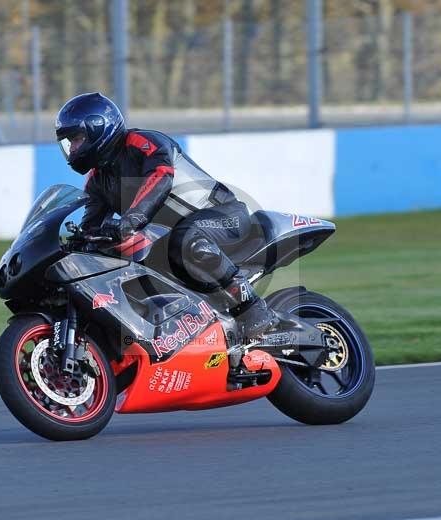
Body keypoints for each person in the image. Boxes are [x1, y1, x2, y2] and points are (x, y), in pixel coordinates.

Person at [55, 92, 278, 344]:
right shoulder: (97, 180)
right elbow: (91, 227)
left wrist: (131, 220)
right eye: (69, 143)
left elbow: (161, 176)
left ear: (98, 128)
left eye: (77, 139)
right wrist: (73, 246)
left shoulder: (142, 142)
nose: (73, 148)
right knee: (130, 266)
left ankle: (253, 306)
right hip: (170, 236)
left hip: (224, 215)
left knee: (188, 238)